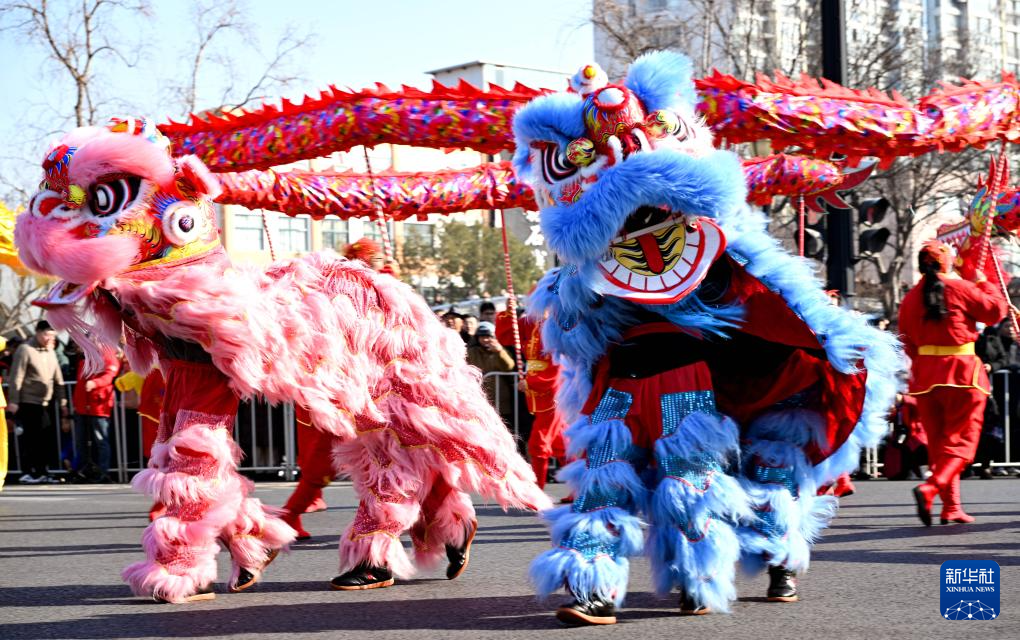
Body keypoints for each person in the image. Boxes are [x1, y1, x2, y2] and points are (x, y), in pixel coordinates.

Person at [900, 241, 1007, 526]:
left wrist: (926, 362)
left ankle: (951, 507)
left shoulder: (909, 298)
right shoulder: (961, 288)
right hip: (962, 374)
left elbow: (906, 341)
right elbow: (995, 311)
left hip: (926, 377)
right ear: (946, 263)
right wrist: (982, 282)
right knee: (962, 443)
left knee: (939, 446)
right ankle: (931, 488)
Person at [8, 321, 66, 483]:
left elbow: (59, 380)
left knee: (45, 439)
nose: (50, 339)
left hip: (46, 403)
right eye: (47, 335)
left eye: (53, 336)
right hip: (28, 402)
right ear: (38, 333)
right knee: (31, 439)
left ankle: (42, 472)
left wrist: (63, 403)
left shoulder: (51, 351)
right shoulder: (25, 349)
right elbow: (16, 377)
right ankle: (28, 472)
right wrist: (14, 401)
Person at [519, 315, 567, 490]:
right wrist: (509, 311)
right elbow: (509, 335)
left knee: (538, 443)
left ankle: (537, 490)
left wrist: (531, 382)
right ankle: (579, 489)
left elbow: (557, 365)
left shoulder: (555, 327)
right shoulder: (531, 324)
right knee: (560, 445)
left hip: (550, 391)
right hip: (539, 392)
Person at [71, 347, 121, 482]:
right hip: (82, 406)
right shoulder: (85, 357)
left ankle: (102, 472)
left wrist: (95, 383)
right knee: (81, 442)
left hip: (99, 406)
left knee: (101, 441)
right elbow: (80, 384)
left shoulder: (109, 356)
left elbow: (109, 376)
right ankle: (84, 471)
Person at [467, 322, 515, 411]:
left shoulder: (502, 350)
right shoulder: (472, 352)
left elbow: (509, 367)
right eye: (482, 337)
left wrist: (500, 352)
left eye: (489, 336)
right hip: (479, 397)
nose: (485, 340)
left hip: (500, 397)